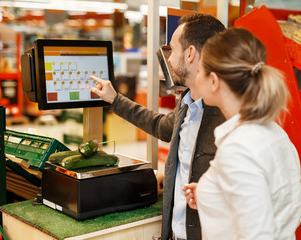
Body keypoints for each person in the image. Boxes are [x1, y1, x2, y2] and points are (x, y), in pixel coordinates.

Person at [90, 14, 226, 240]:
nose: (169, 60)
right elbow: (160, 126)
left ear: (190, 54)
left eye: (172, 50)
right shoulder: (186, 105)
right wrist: (115, 100)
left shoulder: (228, 120)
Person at [183, 27, 301, 240]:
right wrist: (212, 193)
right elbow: (272, 202)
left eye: (200, 71)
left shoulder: (239, 148)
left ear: (214, 81)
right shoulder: (274, 133)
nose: (197, 77)